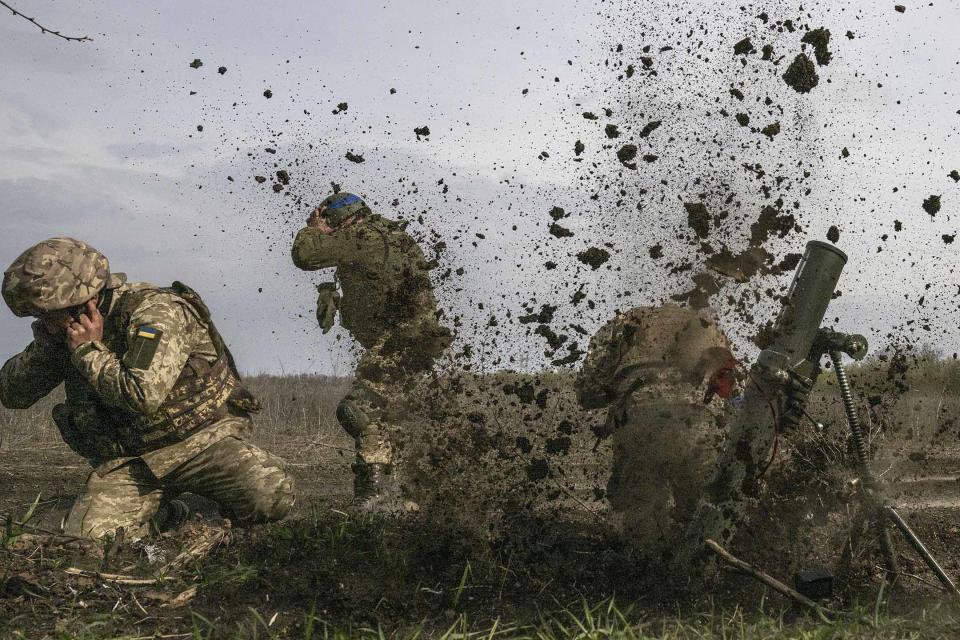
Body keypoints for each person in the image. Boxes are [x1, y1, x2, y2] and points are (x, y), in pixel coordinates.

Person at [0, 237, 295, 540]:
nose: (46, 322)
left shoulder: (156, 312)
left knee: (271, 494)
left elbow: (142, 394)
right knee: (89, 540)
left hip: (202, 443)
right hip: (133, 462)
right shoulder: (65, 333)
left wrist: (88, 351)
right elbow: (12, 394)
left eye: (49, 313)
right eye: (41, 317)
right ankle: (170, 514)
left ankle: (204, 508)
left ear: (83, 301)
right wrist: (50, 347)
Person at [292, 191, 451, 511]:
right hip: (412, 344)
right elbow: (377, 288)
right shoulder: (385, 236)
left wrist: (313, 228)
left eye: (329, 222)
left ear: (339, 218)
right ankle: (403, 499)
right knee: (388, 422)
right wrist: (332, 295)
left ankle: (377, 495)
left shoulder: (363, 235)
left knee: (361, 411)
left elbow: (305, 255)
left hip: (404, 345)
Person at [575, 304, 739, 550]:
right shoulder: (707, 325)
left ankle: (642, 573)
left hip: (639, 416)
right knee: (707, 515)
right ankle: (707, 572)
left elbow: (588, 390)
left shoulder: (627, 322)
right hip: (699, 423)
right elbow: (733, 393)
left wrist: (614, 391)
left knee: (638, 519)